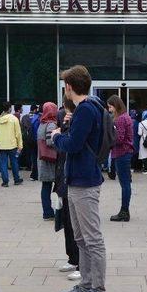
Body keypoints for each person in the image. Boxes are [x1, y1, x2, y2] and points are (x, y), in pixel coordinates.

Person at [51, 65, 107, 292]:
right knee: (81, 238)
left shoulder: (85, 109)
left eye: (65, 84)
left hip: (85, 181)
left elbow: (73, 145)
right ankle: (85, 284)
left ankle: (98, 290)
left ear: (69, 87)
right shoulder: (87, 109)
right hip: (77, 180)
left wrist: (56, 137)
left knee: (92, 239)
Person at [54, 98, 80, 282]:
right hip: (63, 178)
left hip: (76, 180)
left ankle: (81, 263)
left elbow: (72, 146)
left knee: (77, 225)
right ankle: (72, 258)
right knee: (66, 221)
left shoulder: (80, 123)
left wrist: (60, 134)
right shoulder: (65, 123)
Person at [107, 95, 134, 222]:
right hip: (125, 152)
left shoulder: (120, 119)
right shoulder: (126, 116)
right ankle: (125, 210)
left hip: (121, 153)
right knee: (126, 183)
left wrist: (108, 139)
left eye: (110, 106)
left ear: (116, 106)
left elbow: (119, 138)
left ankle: (124, 211)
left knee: (125, 184)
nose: (109, 109)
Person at [0, 101, 23, 187]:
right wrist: (20, 145)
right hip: (12, 144)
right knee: (14, 162)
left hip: (2, 145)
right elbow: (18, 133)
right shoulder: (14, 119)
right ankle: (16, 179)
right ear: (10, 108)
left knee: (3, 163)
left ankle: (5, 181)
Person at [37, 102, 59, 221]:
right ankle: (51, 212)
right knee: (55, 186)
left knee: (45, 186)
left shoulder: (42, 123)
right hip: (51, 161)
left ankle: (47, 211)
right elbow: (50, 142)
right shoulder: (51, 124)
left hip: (43, 159)